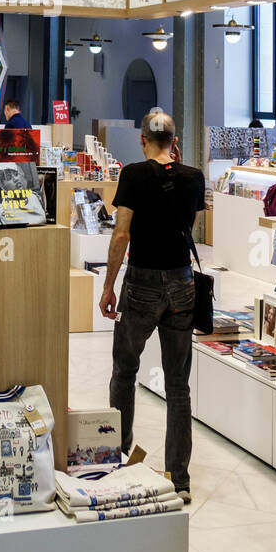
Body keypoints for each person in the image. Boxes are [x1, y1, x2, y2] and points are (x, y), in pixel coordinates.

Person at [100, 109, 205, 503]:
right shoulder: (193, 177)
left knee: (124, 371)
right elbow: (188, 225)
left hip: (141, 283)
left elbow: (121, 234)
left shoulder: (133, 175)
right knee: (179, 386)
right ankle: (179, 479)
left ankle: (116, 460)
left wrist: (109, 286)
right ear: (174, 141)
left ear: (143, 140)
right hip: (181, 285)